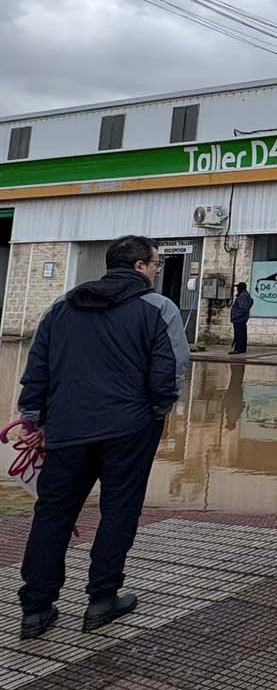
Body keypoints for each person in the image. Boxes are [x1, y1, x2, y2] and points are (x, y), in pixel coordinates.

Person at [16, 235, 189, 639]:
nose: (158, 270)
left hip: (66, 429)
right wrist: (154, 412)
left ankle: (36, 609)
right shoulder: (159, 308)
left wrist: (34, 420)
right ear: (140, 267)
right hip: (129, 429)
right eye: (156, 263)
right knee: (119, 510)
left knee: (53, 512)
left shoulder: (61, 306)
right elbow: (171, 371)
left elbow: (37, 366)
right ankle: (101, 600)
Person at [228, 282, 253, 355]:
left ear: (241, 288)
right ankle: (241, 348)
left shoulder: (243, 296)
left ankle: (238, 349)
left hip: (239, 319)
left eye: (238, 287)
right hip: (241, 318)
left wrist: (236, 315)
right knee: (241, 333)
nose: (236, 289)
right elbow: (251, 301)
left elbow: (243, 308)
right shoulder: (245, 295)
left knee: (239, 334)